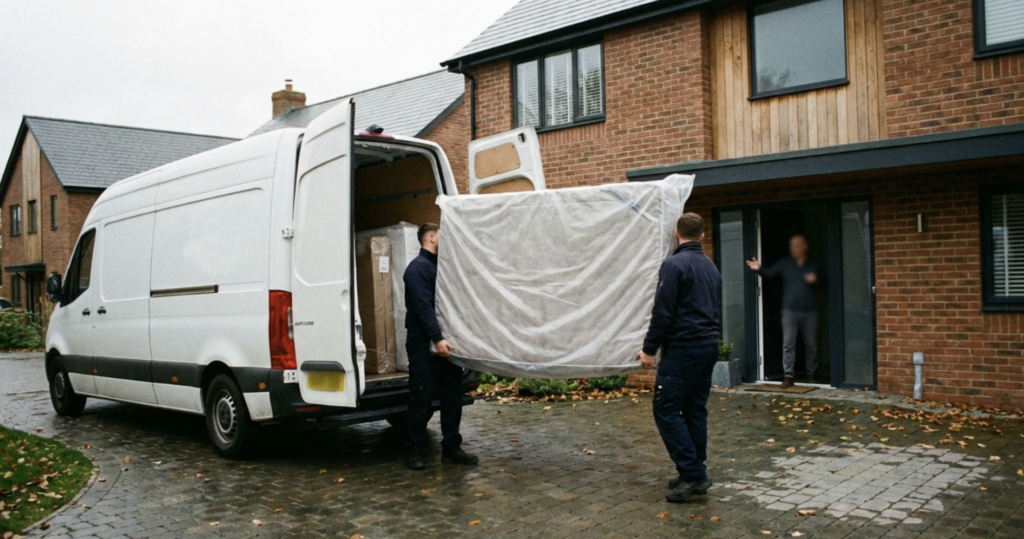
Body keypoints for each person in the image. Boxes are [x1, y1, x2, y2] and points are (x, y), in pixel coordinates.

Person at [635, 213, 721, 504]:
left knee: (666, 409)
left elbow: (663, 311)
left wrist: (649, 349)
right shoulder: (710, 267)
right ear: (703, 236)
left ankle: (693, 474)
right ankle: (695, 469)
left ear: (675, 233)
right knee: (695, 409)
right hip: (708, 346)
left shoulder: (674, 265)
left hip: (684, 349)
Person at [402, 222, 478, 471]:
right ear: (432, 237)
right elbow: (424, 307)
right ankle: (413, 449)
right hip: (424, 344)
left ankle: (451, 448)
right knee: (421, 397)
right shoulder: (417, 268)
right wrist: (437, 338)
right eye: (443, 234)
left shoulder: (442, 267)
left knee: (451, 396)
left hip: (445, 343)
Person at [745, 234, 819, 388]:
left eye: (797, 245)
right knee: (788, 344)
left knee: (811, 343)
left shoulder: (813, 264)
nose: (793, 248)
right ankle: (788, 376)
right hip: (789, 311)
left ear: (805, 247)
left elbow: (827, 281)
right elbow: (770, 274)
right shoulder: (785, 263)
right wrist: (759, 269)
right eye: (791, 245)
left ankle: (812, 374)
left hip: (809, 311)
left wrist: (816, 279)